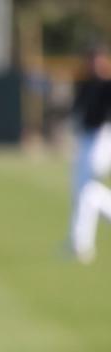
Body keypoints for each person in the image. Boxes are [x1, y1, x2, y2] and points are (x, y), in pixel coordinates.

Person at [67, 43, 111, 262]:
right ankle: (78, 243)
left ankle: (79, 244)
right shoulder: (85, 84)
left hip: (103, 138)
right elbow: (76, 110)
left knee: (87, 192)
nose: (94, 64)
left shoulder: (107, 84)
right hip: (86, 138)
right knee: (85, 193)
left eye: (97, 59)